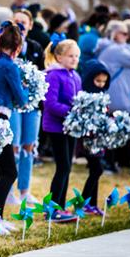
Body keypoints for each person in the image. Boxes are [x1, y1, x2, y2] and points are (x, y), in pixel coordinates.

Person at [0, 20, 29, 234]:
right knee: (9, 171)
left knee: (3, 171)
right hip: (0, 119)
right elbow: (21, 99)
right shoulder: (10, 66)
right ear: (18, 47)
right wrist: (27, 90)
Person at [6, 10, 44, 206]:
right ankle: (9, 191)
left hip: (31, 105)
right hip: (13, 104)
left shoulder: (36, 47)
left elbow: (42, 75)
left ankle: (24, 191)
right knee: (14, 145)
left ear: (30, 25)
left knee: (29, 145)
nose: (21, 25)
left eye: (24, 22)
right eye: (17, 21)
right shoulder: (7, 47)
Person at [42, 36, 82, 222]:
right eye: (70, 56)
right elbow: (51, 104)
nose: (74, 59)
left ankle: (61, 206)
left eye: (76, 56)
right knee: (63, 166)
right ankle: (52, 209)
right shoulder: (53, 75)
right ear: (59, 57)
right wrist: (72, 112)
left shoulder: (76, 76)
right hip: (56, 127)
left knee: (67, 167)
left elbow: (79, 100)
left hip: (71, 128)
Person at [98, 20, 130, 176]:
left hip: (115, 95)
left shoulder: (108, 49)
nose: (127, 36)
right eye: (124, 33)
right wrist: (128, 47)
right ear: (114, 34)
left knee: (114, 130)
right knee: (126, 131)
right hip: (118, 97)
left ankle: (113, 163)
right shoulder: (116, 50)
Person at [80, 59, 111, 216]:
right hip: (88, 139)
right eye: (97, 80)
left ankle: (92, 204)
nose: (100, 84)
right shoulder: (85, 96)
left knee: (96, 170)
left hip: (99, 139)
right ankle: (84, 203)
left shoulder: (102, 94)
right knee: (97, 169)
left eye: (103, 81)